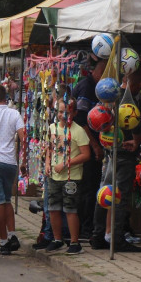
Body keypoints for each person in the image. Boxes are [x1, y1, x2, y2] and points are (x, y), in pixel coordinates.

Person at [92, 61, 141, 252]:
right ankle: (116, 238)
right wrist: (136, 140)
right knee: (119, 196)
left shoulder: (110, 93)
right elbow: (136, 129)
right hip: (123, 154)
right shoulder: (128, 100)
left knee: (104, 193)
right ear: (140, 82)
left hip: (110, 151)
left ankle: (98, 235)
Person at [44, 98, 91, 255]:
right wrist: (47, 163)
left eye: (67, 112)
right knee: (53, 208)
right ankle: (57, 239)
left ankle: (74, 242)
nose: (63, 115)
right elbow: (50, 148)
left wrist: (66, 164)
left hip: (71, 177)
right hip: (54, 176)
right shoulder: (52, 128)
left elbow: (86, 154)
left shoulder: (78, 131)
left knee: (70, 209)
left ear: (74, 113)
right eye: (60, 112)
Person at [0, 84, 26, 255]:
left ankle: (3, 241)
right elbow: (23, 136)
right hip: (10, 162)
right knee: (7, 200)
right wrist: (23, 158)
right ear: (5, 97)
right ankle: (12, 235)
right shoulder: (14, 113)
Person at [72, 54, 107, 240]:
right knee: (87, 188)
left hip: (91, 146)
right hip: (85, 148)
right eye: (104, 73)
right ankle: (85, 228)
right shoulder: (87, 87)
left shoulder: (97, 88)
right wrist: (94, 145)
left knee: (91, 187)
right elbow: (80, 119)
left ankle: (86, 226)